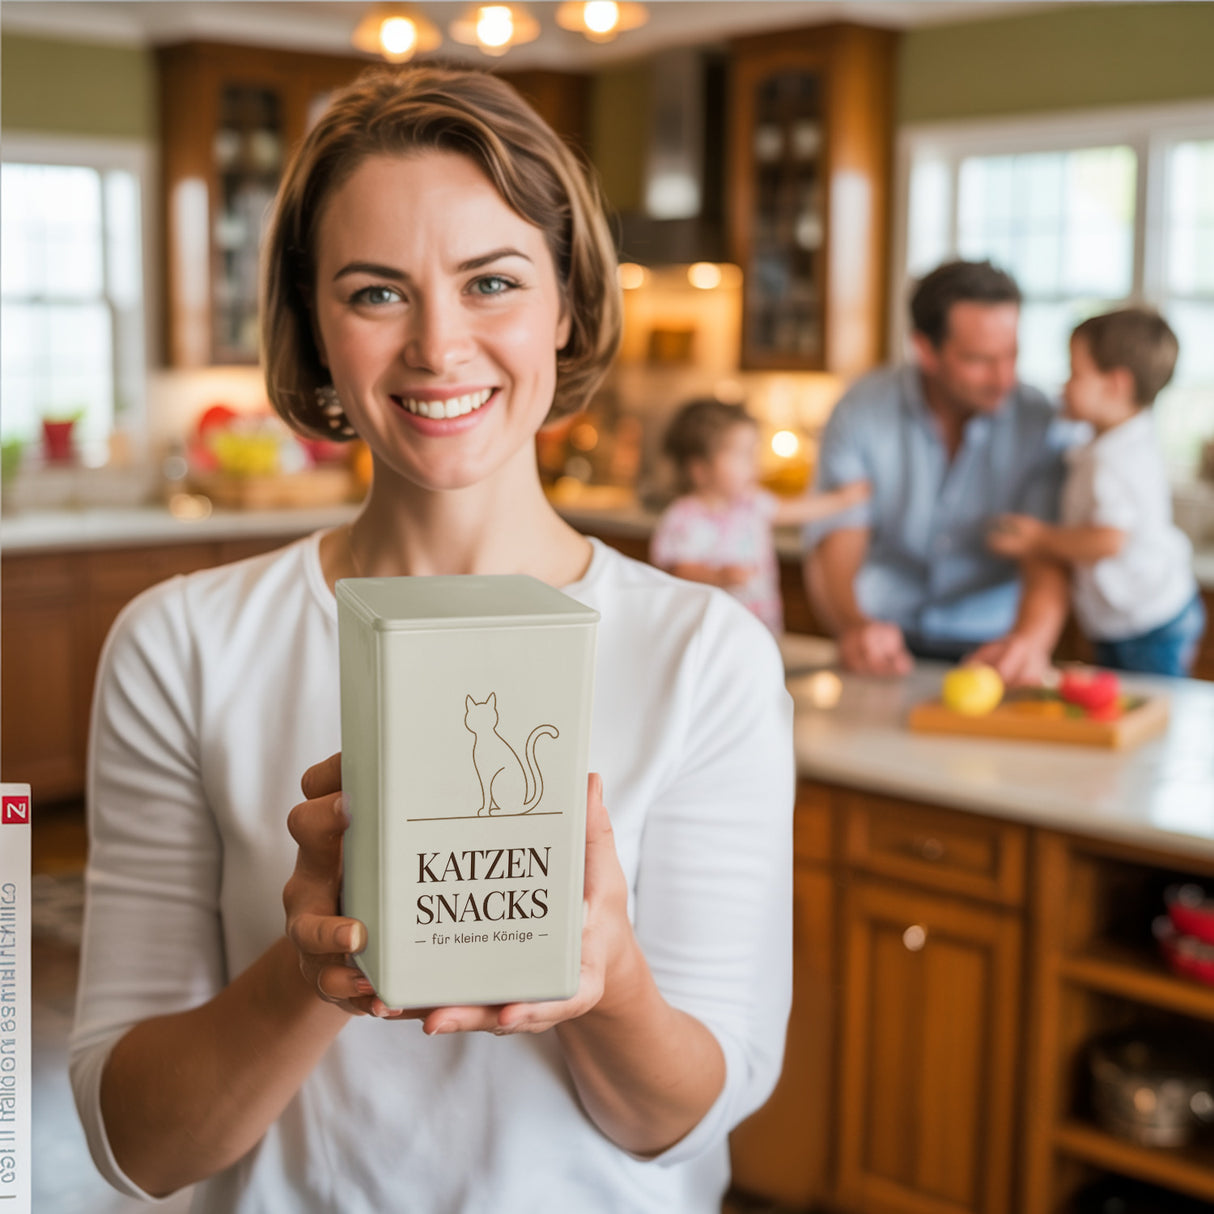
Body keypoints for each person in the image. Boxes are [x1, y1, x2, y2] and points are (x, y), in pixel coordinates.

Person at [69, 67, 794, 1214]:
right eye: (374, 293)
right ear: (314, 326)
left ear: (564, 308)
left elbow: (682, 1118)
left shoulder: (706, 653)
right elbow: (138, 1143)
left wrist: (607, 980)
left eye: (492, 281)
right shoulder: (180, 645)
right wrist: (313, 964)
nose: (437, 346)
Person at [802, 259, 1078, 683]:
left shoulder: (1040, 421)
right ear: (925, 350)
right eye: (979, 360)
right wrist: (855, 626)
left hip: (991, 645)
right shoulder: (861, 408)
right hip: (881, 635)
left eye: (1012, 355)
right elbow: (840, 536)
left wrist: (1029, 642)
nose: (1003, 378)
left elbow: (1043, 552)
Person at [989, 307, 1205, 676]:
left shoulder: (1118, 460)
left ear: (1115, 385)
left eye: (1075, 374)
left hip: (1147, 624)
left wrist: (1037, 538)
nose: (1064, 386)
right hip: (1124, 621)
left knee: (1145, 709)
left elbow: (1108, 540)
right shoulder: (1111, 438)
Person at [651, 397, 869, 633]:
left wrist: (844, 499)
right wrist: (717, 575)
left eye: (753, 452)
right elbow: (677, 571)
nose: (753, 463)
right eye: (741, 455)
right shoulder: (682, 518)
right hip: (708, 632)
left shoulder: (752, 504)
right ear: (700, 469)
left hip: (759, 626)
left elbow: (800, 510)